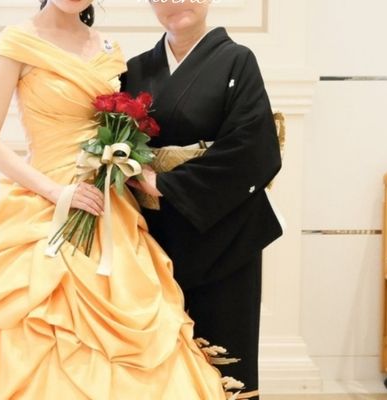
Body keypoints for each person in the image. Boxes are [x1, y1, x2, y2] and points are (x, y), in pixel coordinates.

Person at [0, 1, 234, 398]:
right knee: (24, 309)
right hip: (45, 200)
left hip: (105, 205)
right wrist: (57, 192)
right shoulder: (18, 42)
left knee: (134, 317)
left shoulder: (109, 49)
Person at [123, 2, 283, 399]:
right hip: (155, 234)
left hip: (226, 231)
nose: (175, 3)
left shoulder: (237, 60)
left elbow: (254, 146)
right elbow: (121, 142)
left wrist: (165, 183)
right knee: (160, 358)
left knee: (223, 359)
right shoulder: (136, 69)